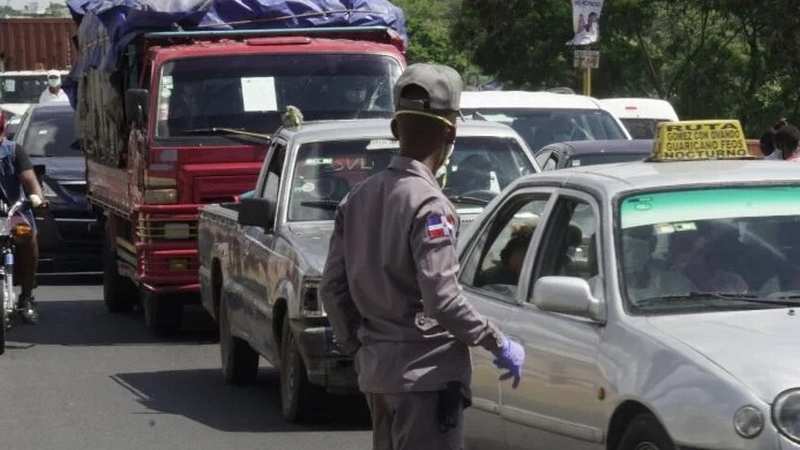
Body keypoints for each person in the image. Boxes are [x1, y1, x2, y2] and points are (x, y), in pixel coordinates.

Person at [320, 63, 525, 450]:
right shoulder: (431, 206)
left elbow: (332, 290)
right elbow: (442, 298)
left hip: (380, 376)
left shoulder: (357, 198)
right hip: (426, 381)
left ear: (396, 130)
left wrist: (359, 348)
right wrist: (498, 343)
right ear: (452, 133)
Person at [0, 112, 47, 323]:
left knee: (28, 240)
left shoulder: (13, 151)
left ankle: (26, 297)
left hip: (12, 213)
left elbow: (30, 180)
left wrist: (38, 198)